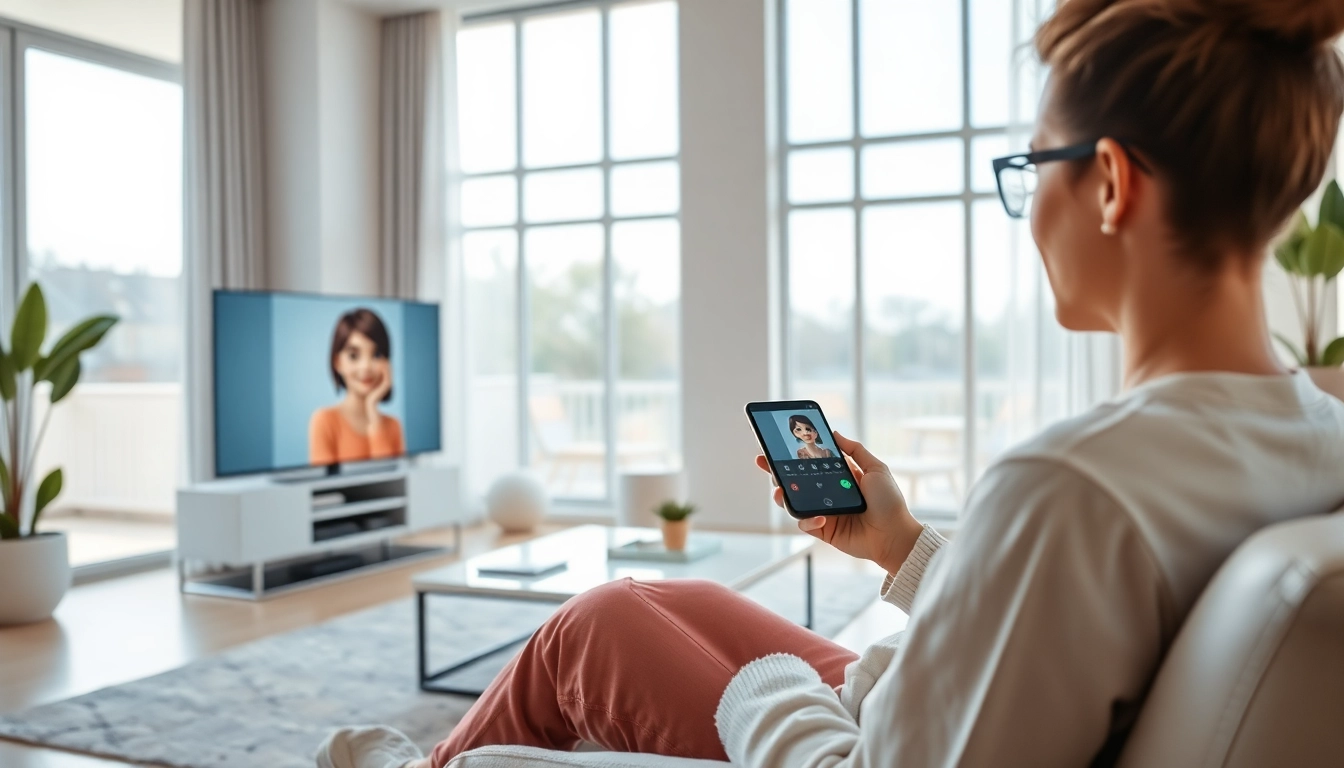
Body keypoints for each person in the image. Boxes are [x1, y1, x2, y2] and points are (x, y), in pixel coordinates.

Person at [317, 0, 1344, 766]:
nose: (1030, 209)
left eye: (1034, 170)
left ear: (1111, 183)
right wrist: (901, 545)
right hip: (913, 709)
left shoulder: (1072, 484)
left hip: (859, 742)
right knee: (645, 600)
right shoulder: (1315, 430)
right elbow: (1064, 629)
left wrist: (759, 688)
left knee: (591, 634)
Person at [309, 308, 405, 467]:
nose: (366, 366)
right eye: (354, 356)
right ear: (337, 363)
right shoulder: (324, 421)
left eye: (376, 355)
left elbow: (388, 475)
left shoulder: (393, 426)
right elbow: (324, 481)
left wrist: (372, 411)